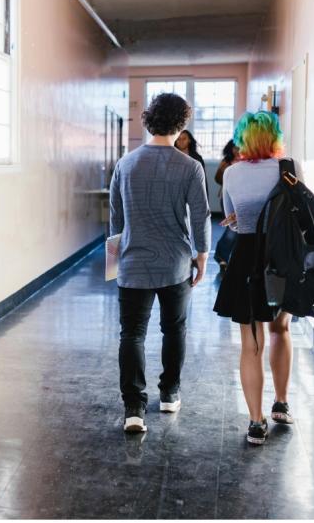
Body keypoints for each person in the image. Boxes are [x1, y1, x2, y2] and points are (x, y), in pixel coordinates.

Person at [109, 93, 211, 433]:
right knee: (174, 328)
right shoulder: (190, 167)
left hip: (133, 263)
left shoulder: (125, 164)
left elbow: (116, 221)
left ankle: (134, 409)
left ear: (149, 120)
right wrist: (202, 255)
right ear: (181, 124)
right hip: (175, 263)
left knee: (132, 334)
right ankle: (169, 393)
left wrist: (114, 262)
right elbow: (201, 216)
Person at [212, 111, 297, 446]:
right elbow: (297, 214)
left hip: (247, 258)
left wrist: (242, 216)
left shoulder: (232, 173)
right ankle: (281, 403)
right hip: (282, 258)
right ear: (274, 137)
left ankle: (256, 422)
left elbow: (233, 221)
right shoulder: (288, 168)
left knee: (251, 344)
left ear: (243, 140)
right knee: (281, 329)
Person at [213, 140, 241, 272]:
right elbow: (217, 179)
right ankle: (221, 256)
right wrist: (225, 170)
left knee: (238, 230)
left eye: (240, 147)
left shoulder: (249, 160)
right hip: (227, 198)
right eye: (235, 148)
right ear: (230, 149)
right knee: (232, 229)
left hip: (242, 198)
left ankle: (226, 257)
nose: (237, 150)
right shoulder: (226, 161)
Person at [175, 129, 209, 197]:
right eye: (178, 139)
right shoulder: (171, 158)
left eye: (184, 139)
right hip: (176, 193)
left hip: (193, 193)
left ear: (189, 140)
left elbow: (203, 180)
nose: (181, 141)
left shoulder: (197, 158)